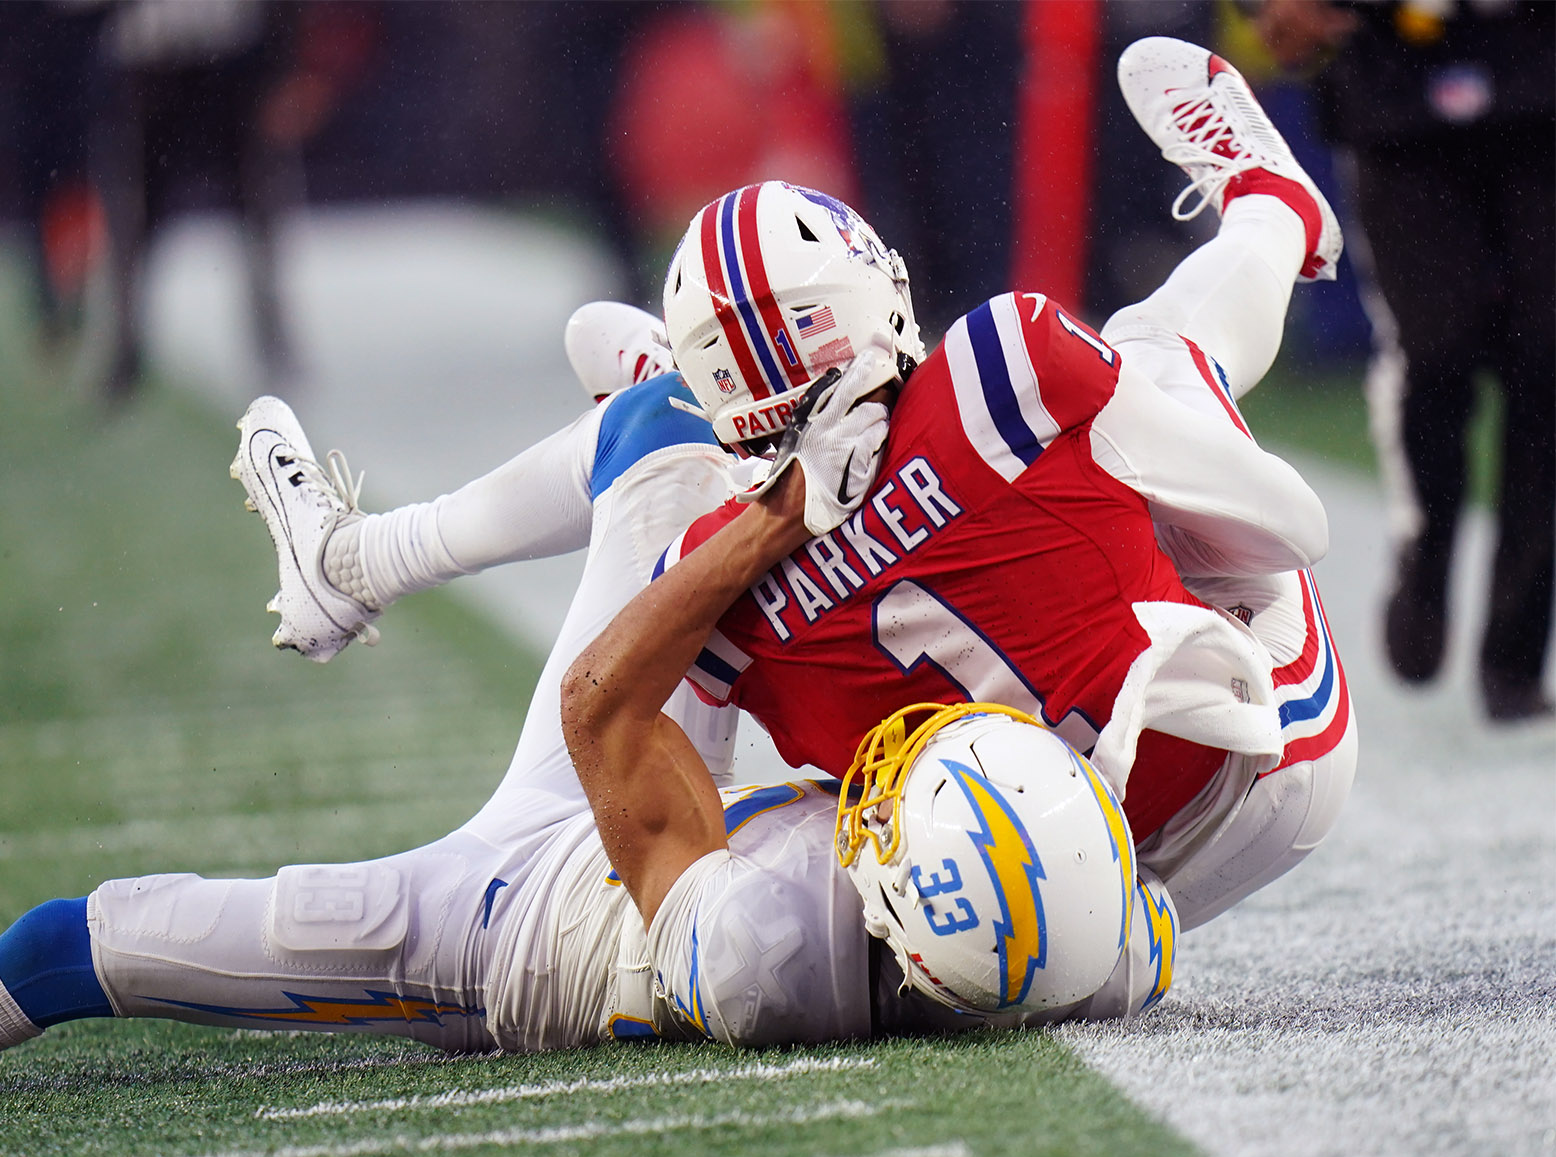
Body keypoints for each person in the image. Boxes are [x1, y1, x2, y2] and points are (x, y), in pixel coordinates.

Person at [225, 37, 1355, 941]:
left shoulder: (710, 575)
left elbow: (674, 789)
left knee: (672, 485)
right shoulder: (1003, 365)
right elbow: (1287, 533)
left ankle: (403, 543)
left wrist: (795, 525)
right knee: (1155, 344)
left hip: (1052, 906)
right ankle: (1271, 211)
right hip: (1260, 767)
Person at [0, 368, 1177, 1058]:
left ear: (890, 900)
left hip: (522, 925)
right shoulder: (1090, 938)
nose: (891, 760)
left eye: (897, 794)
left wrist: (778, 522)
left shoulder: (768, 958)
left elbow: (602, 712)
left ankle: (354, 563)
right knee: (674, 412)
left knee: (68, 946)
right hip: (700, 815)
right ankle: (352, 560)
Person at [1254, 0, 1554, 721]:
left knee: (1546, 364)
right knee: (1437, 347)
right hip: (1395, 80)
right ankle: (1427, 550)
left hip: (1541, 77)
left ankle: (1514, 656)